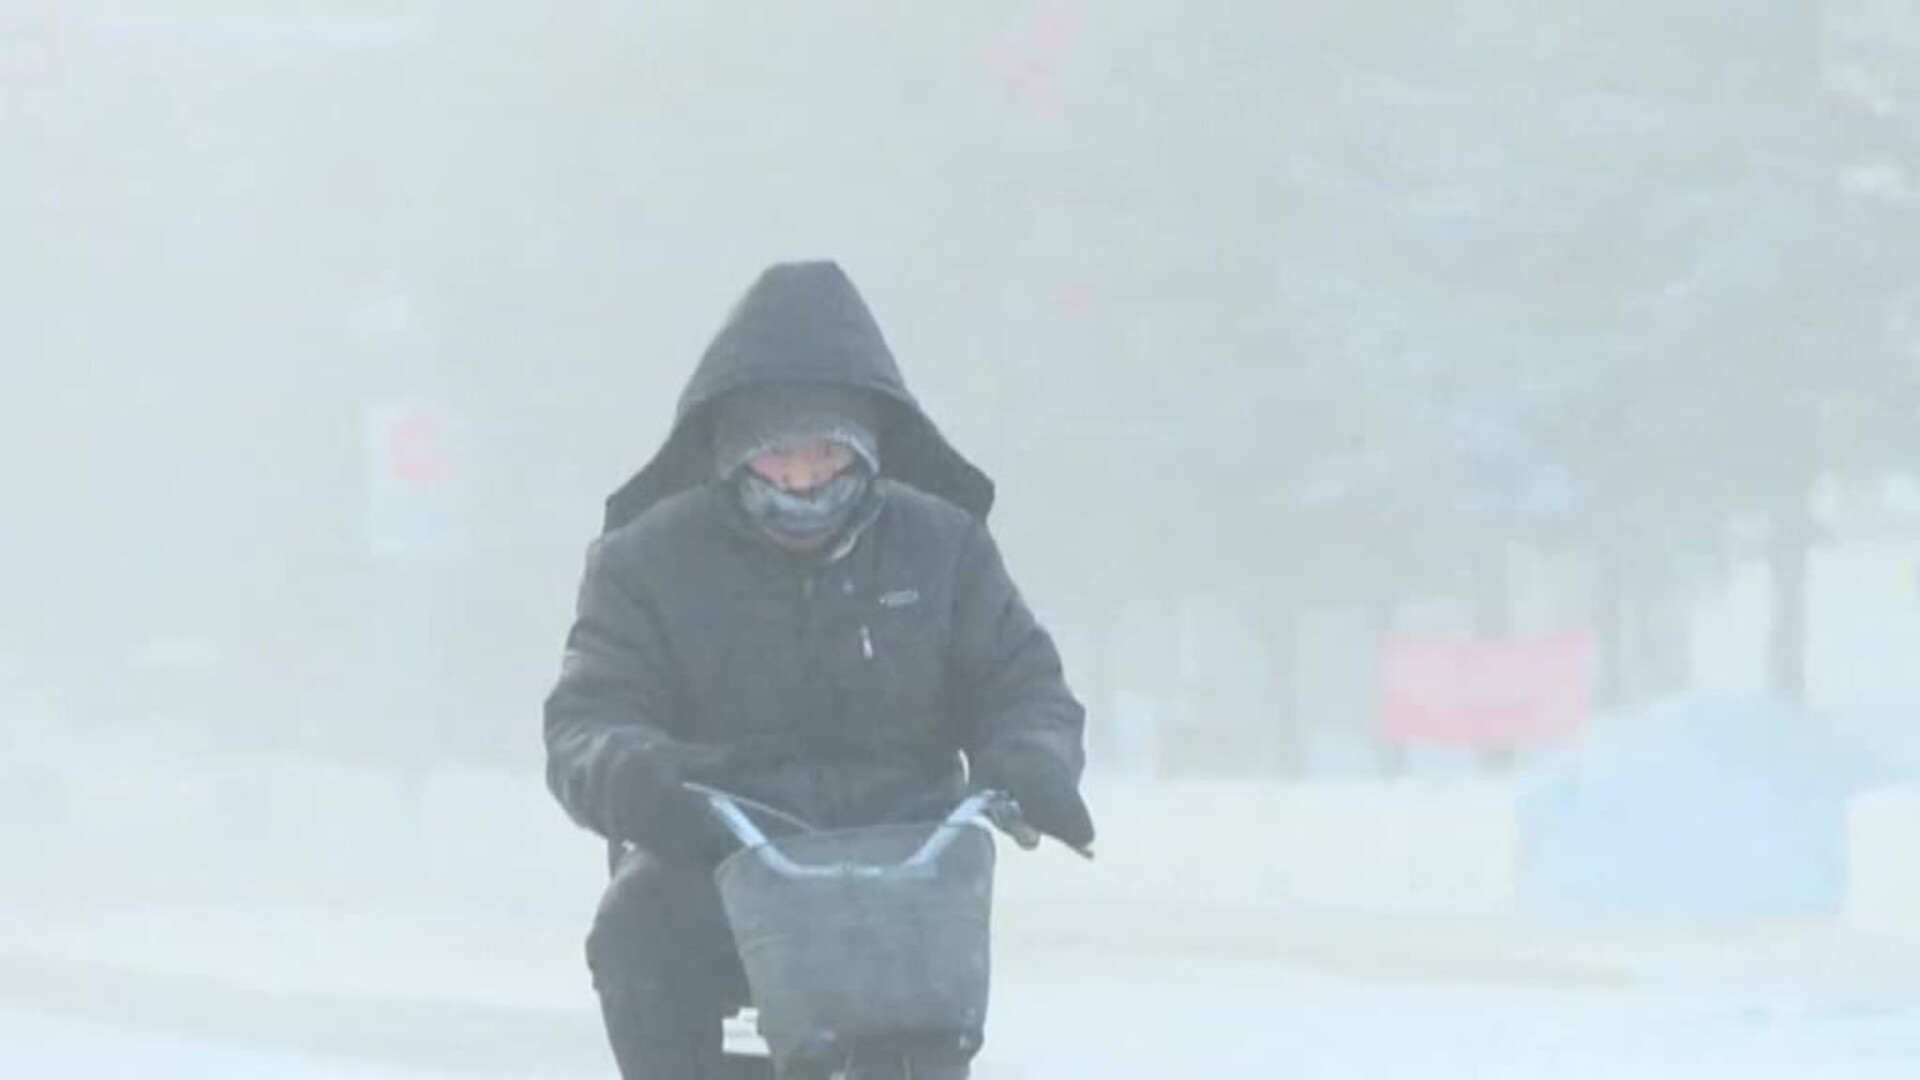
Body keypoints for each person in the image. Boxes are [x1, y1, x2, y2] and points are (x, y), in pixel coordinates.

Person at [542, 259, 1094, 1078]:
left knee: (924, 1013)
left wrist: (1031, 760)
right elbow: (589, 713)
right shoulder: (646, 561)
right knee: (638, 927)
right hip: (719, 851)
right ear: (733, 453)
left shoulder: (943, 549)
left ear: (868, 449)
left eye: (827, 454)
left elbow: (1025, 686)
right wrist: (636, 773)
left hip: (902, 858)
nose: (804, 480)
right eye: (780, 457)